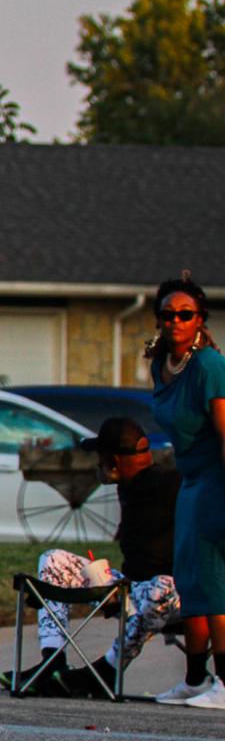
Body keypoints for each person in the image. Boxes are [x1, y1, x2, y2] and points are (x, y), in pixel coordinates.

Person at [2, 417, 182, 697]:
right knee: (53, 559)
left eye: (100, 457)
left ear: (114, 461)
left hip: (175, 593)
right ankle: (52, 661)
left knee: (162, 584)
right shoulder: (128, 485)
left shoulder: (168, 483)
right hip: (131, 587)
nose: (97, 465)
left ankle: (105, 671)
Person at [148, 275, 225, 708]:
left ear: (200, 320)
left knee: (215, 585)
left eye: (185, 314)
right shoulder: (160, 364)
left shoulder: (210, 367)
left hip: (216, 479)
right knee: (192, 582)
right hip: (190, 480)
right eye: (168, 314)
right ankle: (195, 679)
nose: (175, 321)